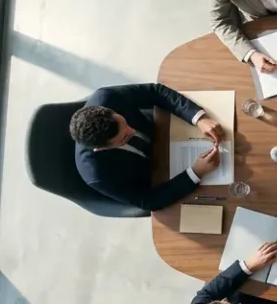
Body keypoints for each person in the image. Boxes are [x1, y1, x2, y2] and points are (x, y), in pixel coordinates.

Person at [70, 83, 223, 212]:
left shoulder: (107, 97)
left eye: (125, 123)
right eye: (125, 137)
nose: (132, 131)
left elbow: (155, 91)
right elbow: (148, 200)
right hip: (157, 175)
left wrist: (199, 118)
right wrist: (195, 172)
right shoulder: (98, 175)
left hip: (163, 132)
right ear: (102, 149)